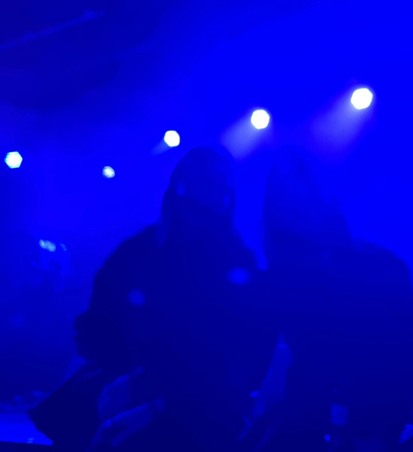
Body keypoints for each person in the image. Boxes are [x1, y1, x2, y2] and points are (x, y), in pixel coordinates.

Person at [31, 146, 277, 451]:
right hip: (140, 394)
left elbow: (238, 361)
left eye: (215, 189)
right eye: (202, 188)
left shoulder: (234, 264)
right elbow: (96, 326)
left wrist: (150, 393)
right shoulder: (141, 252)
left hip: (195, 412)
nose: (206, 203)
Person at [258, 147, 413, 451]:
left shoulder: (287, 273)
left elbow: (406, 359)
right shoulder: (384, 266)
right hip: (353, 423)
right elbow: (408, 358)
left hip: (347, 423)